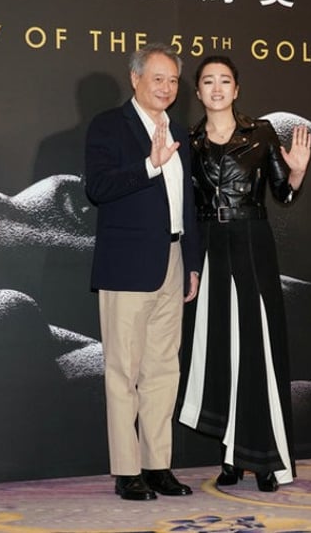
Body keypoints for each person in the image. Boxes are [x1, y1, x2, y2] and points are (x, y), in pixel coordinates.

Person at [177, 55, 311, 492]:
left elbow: (282, 197)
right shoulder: (189, 141)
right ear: (197, 92)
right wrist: (191, 264)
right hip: (210, 246)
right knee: (220, 351)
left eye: (225, 81)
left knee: (257, 349)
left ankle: (266, 459)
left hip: (252, 244)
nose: (217, 88)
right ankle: (232, 456)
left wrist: (296, 173)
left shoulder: (262, 134)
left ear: (237, 90)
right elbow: (185, 211)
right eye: (208, 82)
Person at [84, 43, 201, 501]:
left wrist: (191, 262)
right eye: (158, 78)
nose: (167, 88)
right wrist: (148, 165)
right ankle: (127, 470)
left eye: (173, 80)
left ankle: (158, 466)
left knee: (163, 371)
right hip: (126, 266)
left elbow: (187, 204)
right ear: (135, 79)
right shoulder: (109, 126)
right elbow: (98, 187)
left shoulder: (179, 132)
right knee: (122, 371)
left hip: (172, 263)